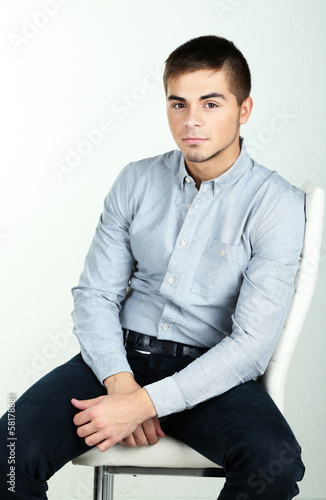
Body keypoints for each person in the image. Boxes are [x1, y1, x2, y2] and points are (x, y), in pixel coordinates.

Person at [0, 35, 305, 499]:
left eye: (211, 103)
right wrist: (121, 385)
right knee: (9, 450)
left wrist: (142, 404)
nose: (192, 121)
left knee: (273, 460)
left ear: (243, 110)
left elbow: (250, 346)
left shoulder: (277, 205)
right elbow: (95, 296)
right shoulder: (137, 180)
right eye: (178, 104)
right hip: (117, 361)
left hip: (211, 374)